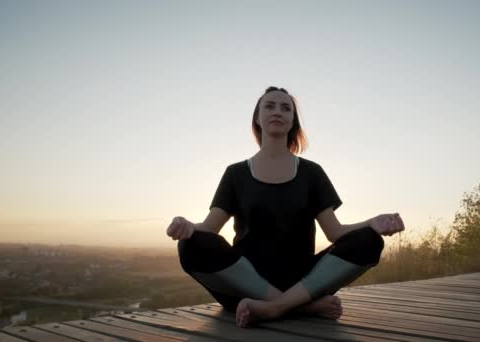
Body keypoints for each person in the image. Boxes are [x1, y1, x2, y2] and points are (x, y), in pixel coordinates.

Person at [166, 86, 405, 328]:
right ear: (257, 119)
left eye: (285, 107)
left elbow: (335, 233)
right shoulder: (235, 173)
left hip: (304, 280)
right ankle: (302, 306)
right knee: (191, 244)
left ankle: (274, 308)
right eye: (269, 106)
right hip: (245, 285)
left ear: (293, 121)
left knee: (369, 241)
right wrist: (186, 226)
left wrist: (372, 223)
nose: (277, 111)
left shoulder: (312, 172)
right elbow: (209, 228)